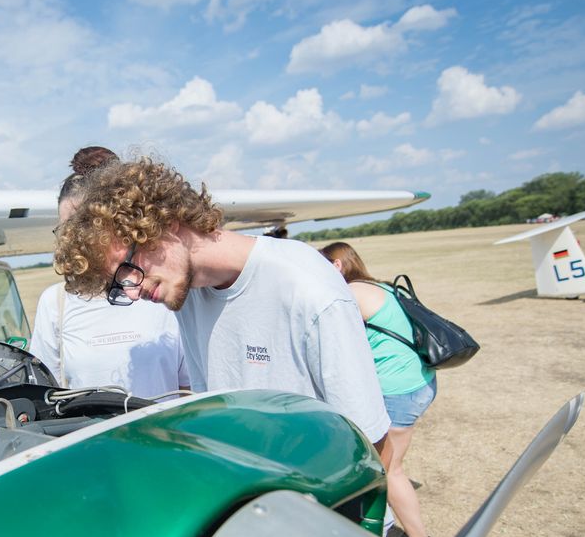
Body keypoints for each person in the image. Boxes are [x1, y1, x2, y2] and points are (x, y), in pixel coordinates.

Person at [53, 156, 390, 449]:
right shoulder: (187, 295)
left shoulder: (307, 287)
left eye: (128, 268)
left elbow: (368, 439)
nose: (130, 291)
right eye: (118, 285)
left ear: (162, 223)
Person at [30, 148, 189, 399]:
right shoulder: (55, 303)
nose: (72, 242)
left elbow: (191, 388)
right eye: (64, 230)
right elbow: (46, 393)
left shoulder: (159, 290)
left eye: (81, 228)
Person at [320, 242, 437, 537]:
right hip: (419, 382)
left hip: (398, 389)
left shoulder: (351, 294)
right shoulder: (378, 286)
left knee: (388, 470)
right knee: (391, 465)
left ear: (337, 266)